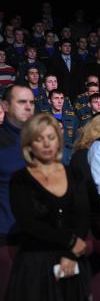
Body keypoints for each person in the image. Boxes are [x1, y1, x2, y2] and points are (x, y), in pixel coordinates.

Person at [6, 113, 90, 301]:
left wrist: (71, 254)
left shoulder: (74, 174)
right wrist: (70, 241)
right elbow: (28, 223)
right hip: (35, 266)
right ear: (29, 144)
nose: (46, 144)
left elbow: (83, 217)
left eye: (51, 138)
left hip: (72, 262)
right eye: (39, 138)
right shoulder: (20, 180)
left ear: (59, 141)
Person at [0, 85, 35, 299]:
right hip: (6, 239)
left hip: (37, 237)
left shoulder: (41, 141)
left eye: (32, 102)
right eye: (22, 102)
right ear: (5, 106)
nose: (29, 107)